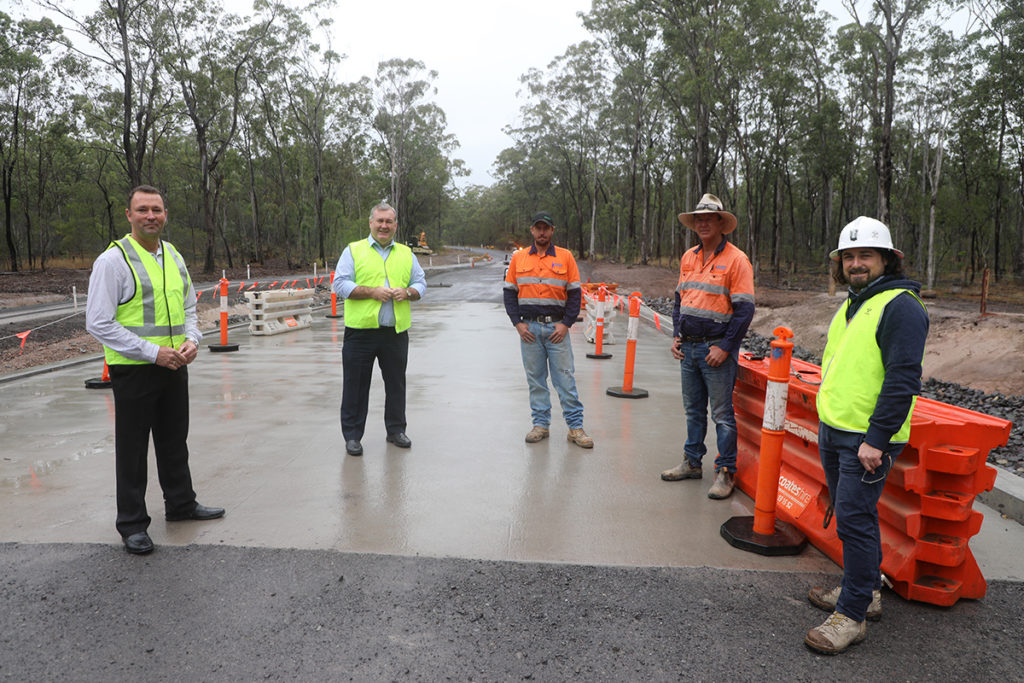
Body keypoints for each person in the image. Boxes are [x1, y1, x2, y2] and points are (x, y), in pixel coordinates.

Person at [804, 216, 928, 654]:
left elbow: (902, 380)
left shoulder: (901, 306)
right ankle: (866, 589)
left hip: (866, 439)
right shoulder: (855, 303)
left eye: (866, 256)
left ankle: (852, 615)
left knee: (855, 520)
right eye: (849, 257)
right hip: (837, 429)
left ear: (887, 259)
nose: (856, 264)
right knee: (853, 515)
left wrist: (876, 439)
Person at [85, 185, 225, 555]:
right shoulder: (113, 261)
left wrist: (192, 341)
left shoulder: (174, 256)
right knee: (132, 450)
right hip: (134, 369)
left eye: (157, 210)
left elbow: (191, 308)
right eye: (143, 210)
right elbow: (98, 322)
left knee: (174, 440)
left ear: (165, 214)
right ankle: (132, 523)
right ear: (129, 215)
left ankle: (181, 504)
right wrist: (152, 352)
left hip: (176, 363)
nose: (151, 216)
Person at [660, 193, 754, 499]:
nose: (702, 223)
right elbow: (679, 300)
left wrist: (725, 347)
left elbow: (744, 310)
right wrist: (677, 335)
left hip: (716, 351)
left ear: (721, 224)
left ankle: (725, 472)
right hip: (689, 347)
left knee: (723, 415)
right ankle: (692, 461)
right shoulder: (689, 257)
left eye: (708, 219)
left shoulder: (737, 260)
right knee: (693, 411)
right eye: (698, 219)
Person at [333, 202, 426, 456]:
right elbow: (339, 284)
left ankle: (396, 430)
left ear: (395, 225)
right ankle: (352, 436)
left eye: (389, 222)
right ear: (371, 223)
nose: (384, 226)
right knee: (355, 386)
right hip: (360, 333)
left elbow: (421, 283)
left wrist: (408, 292)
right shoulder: (353, 250)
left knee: (396, 384)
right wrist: (372, 292)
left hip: (394, 332)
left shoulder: (407, 253)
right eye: (380, 221)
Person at [503, 212, 593, 449]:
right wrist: (517, 323)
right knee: (536, 380)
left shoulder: (565, 257)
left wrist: (566, 324)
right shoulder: (518, 258)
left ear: (552, 231)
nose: (542, 232)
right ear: (532, 231)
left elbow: (575, 294)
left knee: (565, 379)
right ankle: (540, 425)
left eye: (546, 228)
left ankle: (575, 428)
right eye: (537, 228)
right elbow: (509, 293)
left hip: (556, 329)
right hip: (529, 329)